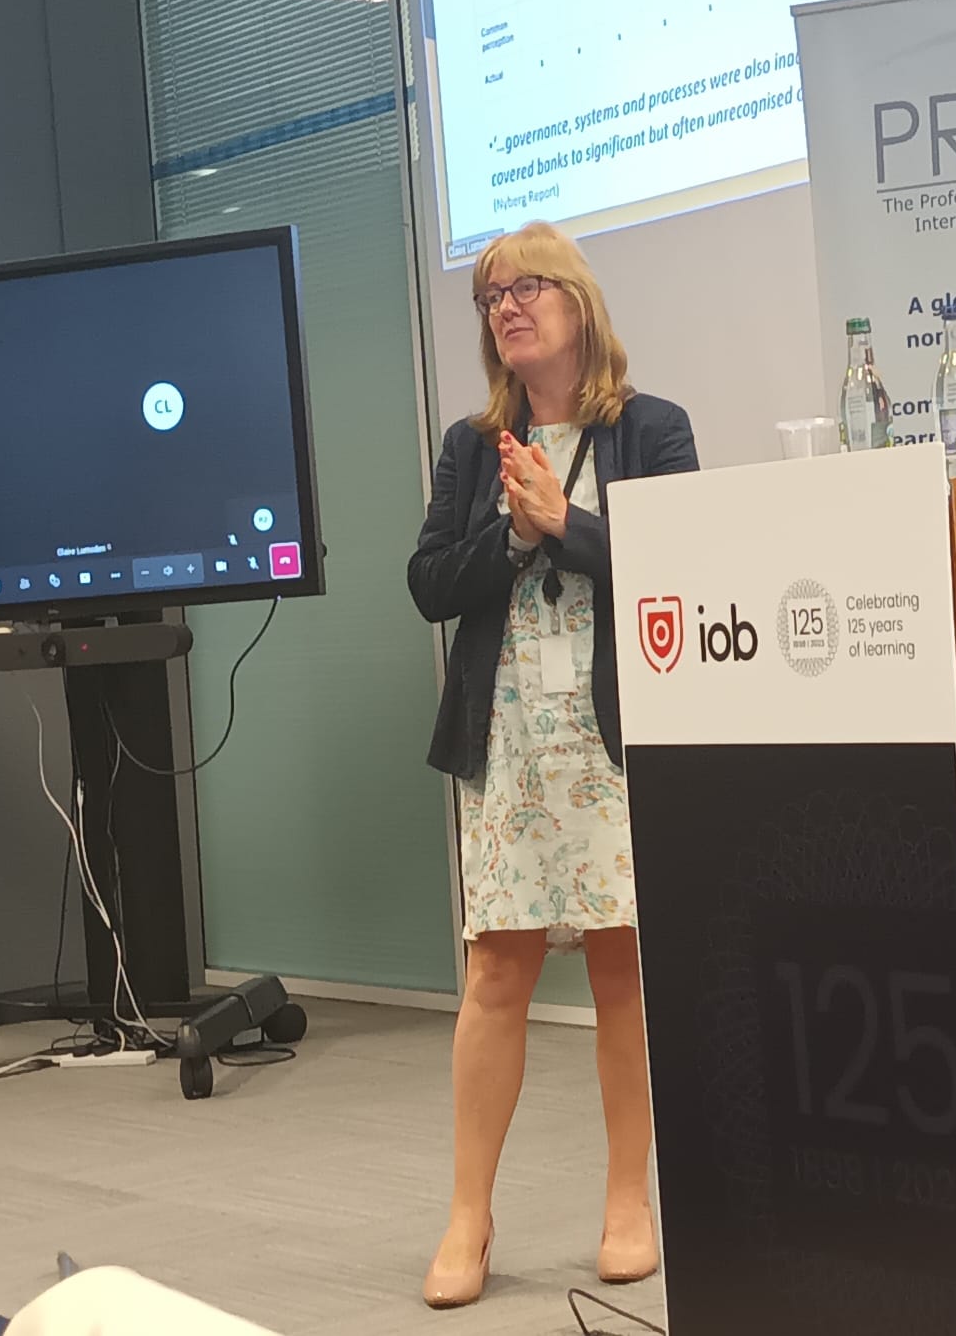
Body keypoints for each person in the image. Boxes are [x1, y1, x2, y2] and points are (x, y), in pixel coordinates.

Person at [407, 220, 699, 1310]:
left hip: (613, 740)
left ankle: (628, 1201)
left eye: (527, 286)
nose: (507, 306)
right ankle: (468, 1215)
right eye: (491, 296)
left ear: (579, 303)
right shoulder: (469, 444)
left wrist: (564, 521)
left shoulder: (651, 430)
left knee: (623, 969)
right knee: (496, 974)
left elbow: (680, 562)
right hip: (512, 741)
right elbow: (431, 584)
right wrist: (515, 538)